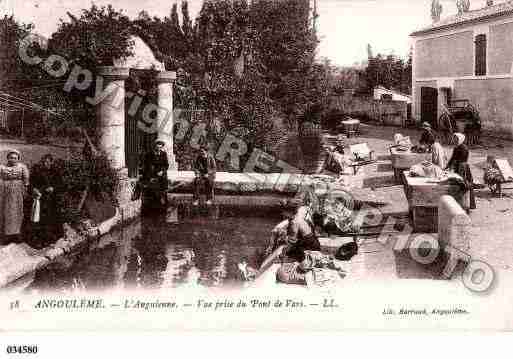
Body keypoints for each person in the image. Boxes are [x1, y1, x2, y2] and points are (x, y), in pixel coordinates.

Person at [29, 154, 63, 247]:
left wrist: (53, 188)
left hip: (52, 200)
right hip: (41, 199)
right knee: (39, 219)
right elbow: (31, 183)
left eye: (48, 162)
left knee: (51, 219)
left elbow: (61, 185)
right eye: (44, 162)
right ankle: (40, 240)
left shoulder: (56, 172)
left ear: (52, 162)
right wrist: (34, 189)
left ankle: (51, 239)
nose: (46, 164)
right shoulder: (37, 172)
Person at [0, 149, 29, 244]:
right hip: (5, 192)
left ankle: (17, 234)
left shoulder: (22, 167)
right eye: (11, 158)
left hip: (17, 192)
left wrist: (25, 191)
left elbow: (26, 181)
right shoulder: (2, 167)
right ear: (8, 158)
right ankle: (6, 235)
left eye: (15, 158)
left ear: (18, 159)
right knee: (6, 212)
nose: (13, 160)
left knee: (17, 212)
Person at [446, 133, 476, 210]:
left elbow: (461, 159)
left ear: (460, 140)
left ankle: (467, 205)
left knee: (465, 184)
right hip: (458, 167)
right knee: (457, 184)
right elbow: (452, 158)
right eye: (455, 139)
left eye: (456, 139)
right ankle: (458, 203)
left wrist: (454, 164)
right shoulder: (456, 148)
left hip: (463, 168)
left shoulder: (464, 148)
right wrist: (447, 166)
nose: (455, 141)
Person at [141, 140, 169, 211]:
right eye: (158, 145)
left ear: (162, 146)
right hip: (152, 174)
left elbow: (166, 165)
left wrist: (162, 171)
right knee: (153, 189)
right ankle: (153, 206)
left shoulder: (164, 154)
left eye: (161, 145)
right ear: (155, 146)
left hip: (161, 174)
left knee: (163, 187)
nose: (159, 147)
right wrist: (150, 176)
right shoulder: (149, 154)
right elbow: (146, 166)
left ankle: (163, 202)